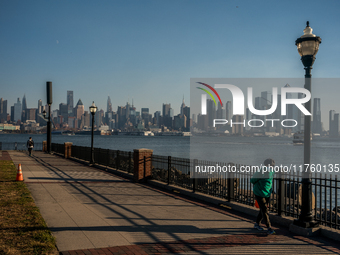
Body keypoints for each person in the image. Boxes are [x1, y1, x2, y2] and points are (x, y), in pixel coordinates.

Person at [250, 158, 276, 235]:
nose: (271, 167)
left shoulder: (272, 171)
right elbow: (252, 180)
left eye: (272, 166)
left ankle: (257, 224)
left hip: (267, 192)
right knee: (264, 210)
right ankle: (269, 228)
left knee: (263, 209)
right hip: (259, 192)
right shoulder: (261, 171)